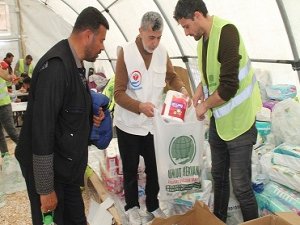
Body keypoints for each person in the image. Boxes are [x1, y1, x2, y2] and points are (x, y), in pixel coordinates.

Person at [15, 7, 109, 225]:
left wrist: (88, 118)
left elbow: (67, 110)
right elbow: (42, 130)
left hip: (66, 169)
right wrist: (46, 189)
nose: (103, 47)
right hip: (50, 171)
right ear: (88, 35)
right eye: (102, 40)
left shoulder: (76, 65)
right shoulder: (56, 68)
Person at [174, 0, 262, 222]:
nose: (185, 33)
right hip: (220, 122)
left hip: (240, 122)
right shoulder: (201, 42)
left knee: (241, 186)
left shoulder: (227, 33)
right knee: (219, 178)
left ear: (197, 15)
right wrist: (198, 91)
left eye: (186, 26)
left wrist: (204, 105)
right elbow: (209, 76)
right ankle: (219, 219)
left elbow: (229, 86)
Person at [114, 11, 189, 225]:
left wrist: (182, 89)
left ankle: (153, 206)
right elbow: (118, 93)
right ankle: (132, 207)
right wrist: (138, 106)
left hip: (152, 124)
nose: (154, 43)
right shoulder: (126, 54)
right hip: (128, 123)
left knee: (154, 168)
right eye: (151, 38)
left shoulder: (162, 52)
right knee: (130, 169)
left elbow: (172, 76)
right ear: (140, 32)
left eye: (158, 38)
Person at [0, 65, 19, 158]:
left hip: (3, 105)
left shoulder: (1, 66)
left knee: (11, 132)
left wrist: (11, 77)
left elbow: (7, 77)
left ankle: (26, 149)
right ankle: (5, 155)